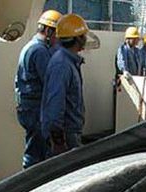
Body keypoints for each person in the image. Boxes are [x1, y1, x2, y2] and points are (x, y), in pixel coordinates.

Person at [42, 14, 98, 155]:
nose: (85, 38)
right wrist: (59, 142)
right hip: (66, 137)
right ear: (78, 38)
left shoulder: (68, 61)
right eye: (83, 35)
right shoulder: (62, 65)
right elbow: (55, 104)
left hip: (70, 134)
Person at [15, 10, 61, 169]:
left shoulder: (32, 47)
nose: (58, 40)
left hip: (29, 107)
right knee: (36, 154)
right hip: (35, 109)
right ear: (48, 31)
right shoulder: (39, 51)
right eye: (57, 35)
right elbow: (49, 80)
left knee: (36, 150)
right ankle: (29, 186)